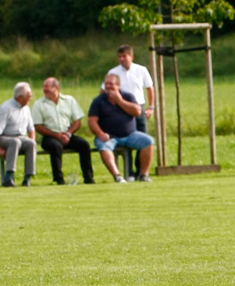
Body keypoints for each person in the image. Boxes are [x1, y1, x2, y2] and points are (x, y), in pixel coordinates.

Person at [88, 73, 155, 183]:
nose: (108, 87)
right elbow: (92, 121)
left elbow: (138, 111)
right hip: (109, 137)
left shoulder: (128, 97)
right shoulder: (99, 101)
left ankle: (143, 175)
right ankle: (117, 176)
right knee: (104, 147)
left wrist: (120, 101)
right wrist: (100, 134)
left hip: (130, 135)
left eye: (111, 84)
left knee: (148, 141)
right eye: (106, 84)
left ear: (118, 85)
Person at [31, 77, 95, 185]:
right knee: (56, 146)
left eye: (47, 87)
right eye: (44, 87)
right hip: (49, 136)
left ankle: (89, 177)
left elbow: (77, 121)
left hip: (67, 134)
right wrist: (56, 135)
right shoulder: (39, 104)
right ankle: (59, 179)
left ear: (56, 88)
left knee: (84, 145)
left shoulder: (69, 100)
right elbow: (38, 126)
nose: (44, 89)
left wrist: (68, 134)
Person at [105, 44, 155, 177]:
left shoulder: (141, 70)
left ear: (131, 57)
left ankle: (141, 171)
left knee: (143, 138)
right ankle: (129, 172)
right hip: (121, 110)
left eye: (124, 56)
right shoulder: (113, 72)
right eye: (119, 57)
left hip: (139, 108)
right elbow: (104, 90)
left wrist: (151, 107)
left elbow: (149, 88)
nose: (122, 59)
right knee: (127, 139)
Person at [0, 82, 37, 187]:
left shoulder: (26, 108)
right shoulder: (6, 108)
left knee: (31, 144)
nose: (31, 98)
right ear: (20, 97)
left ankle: (28, 177)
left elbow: (31, 129)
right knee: (15, 142)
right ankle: (9, 176)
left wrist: (32, 140)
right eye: (29, 96)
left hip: (21, 137)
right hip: (4, 137)